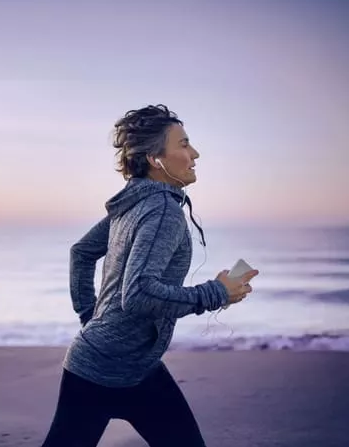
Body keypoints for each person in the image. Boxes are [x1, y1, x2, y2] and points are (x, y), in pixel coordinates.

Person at [40, 104, 258, 447]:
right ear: (157, 159)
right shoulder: (161, 213)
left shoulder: (135, 204)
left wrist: (91, 318)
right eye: (184, 144)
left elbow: (80, 253)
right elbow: (140, 294)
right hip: (99, 371)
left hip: (132, 367)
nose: (195, 153)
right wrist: (216, 292)